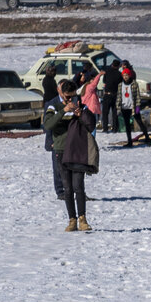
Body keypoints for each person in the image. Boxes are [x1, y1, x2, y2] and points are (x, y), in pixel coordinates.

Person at [44, 79, 96, 232]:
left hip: (78, 150)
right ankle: (71, 219)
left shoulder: (80, 104)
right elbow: (47, 125)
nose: (70, 99)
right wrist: (63, 110)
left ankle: (83, 219)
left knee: (78, 186)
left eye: (72, 96)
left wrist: (81, 114)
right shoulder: (54, 106)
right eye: (67, 97)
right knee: (67, 188)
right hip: (61, 150)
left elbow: (91, 124)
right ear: (61, 93)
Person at [118, 66, 151, 147]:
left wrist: (138, 105)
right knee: (127, 125)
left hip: (133, 107)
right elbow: (119, 96)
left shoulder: (134, 84)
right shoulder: (120, 85)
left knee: (140, 122)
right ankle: (129, 141)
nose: (125, 77)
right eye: (124, 75)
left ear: (129, 75)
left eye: (126, 75)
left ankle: (147, 138)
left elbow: (137, 96)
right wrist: (118, 107)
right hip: (124, 107)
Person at [100, 60, 123, 133]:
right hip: (115, 95)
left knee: (105, 112)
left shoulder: (107, 71)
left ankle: (105, 128)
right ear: (118, 66)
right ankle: (115, 128)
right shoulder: (119, 74)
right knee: (114, 112)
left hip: (107, 94)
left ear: (112, 64)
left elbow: (104, 81)